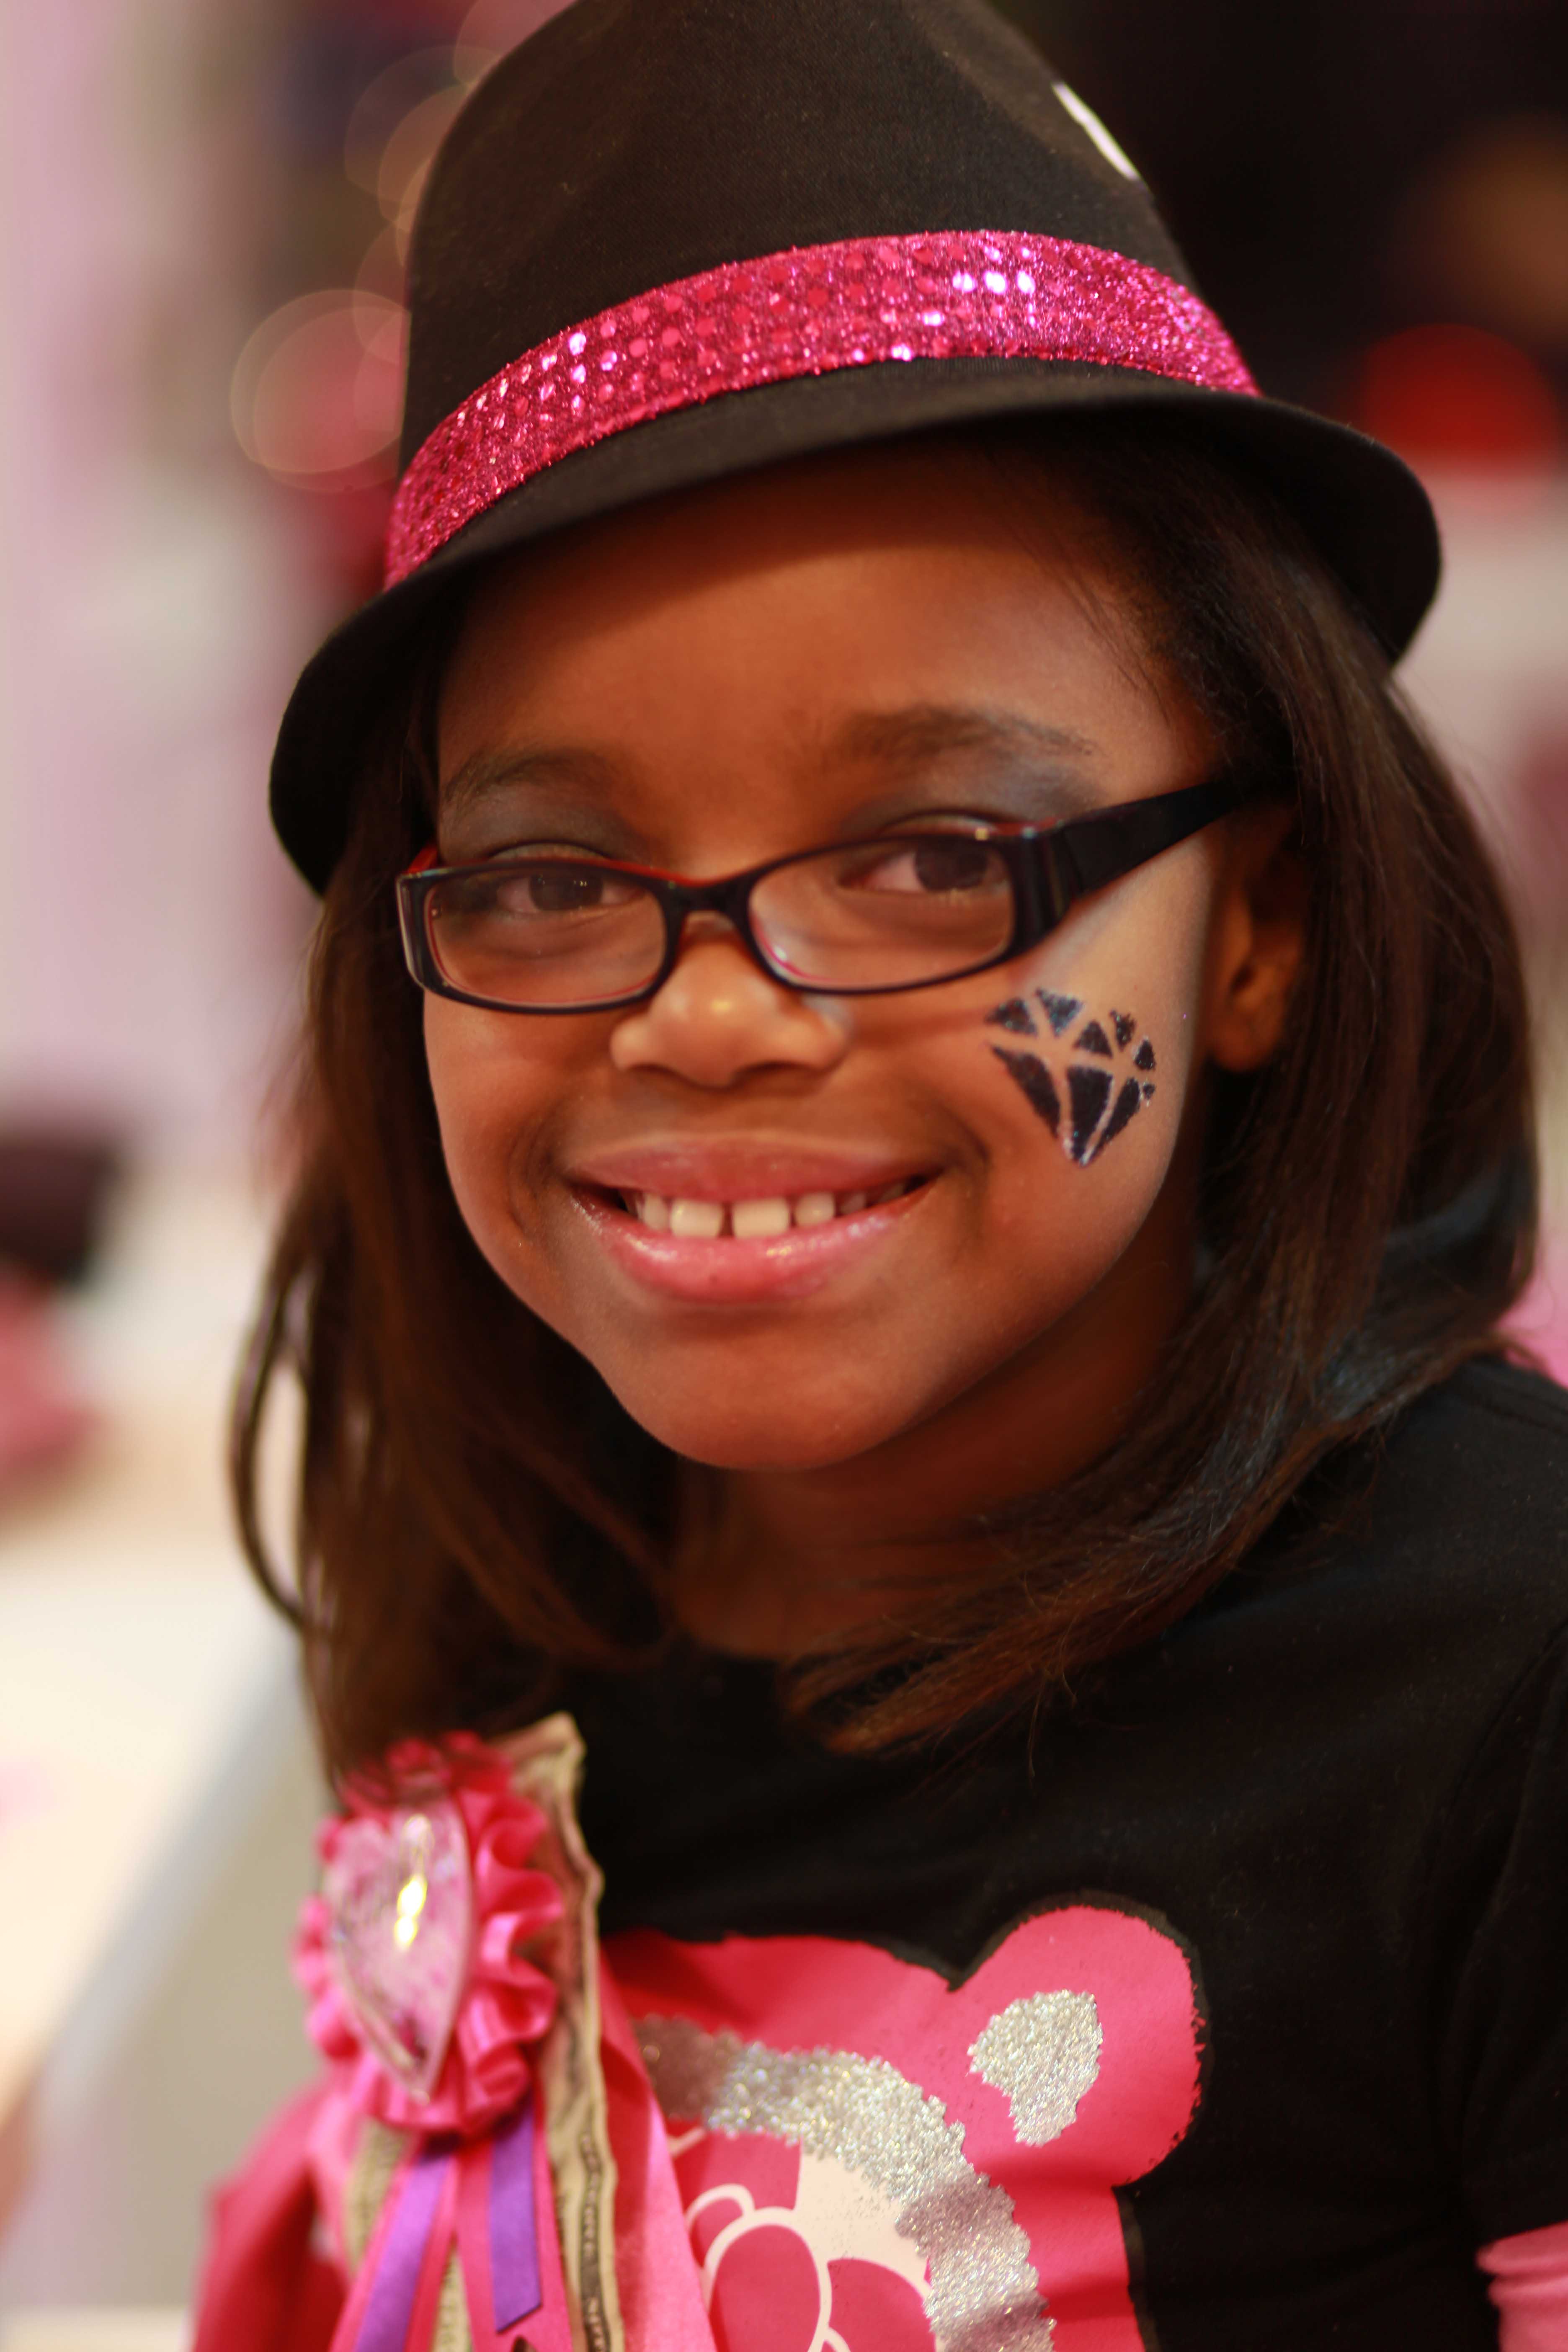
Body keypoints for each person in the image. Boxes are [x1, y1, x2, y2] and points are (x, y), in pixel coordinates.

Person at [193, 3, 1568, 2347]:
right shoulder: (529, 1570)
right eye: (551, 880)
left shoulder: (1511, 1679)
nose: (712, 1016)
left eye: (932, 857)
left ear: (1260, 928)